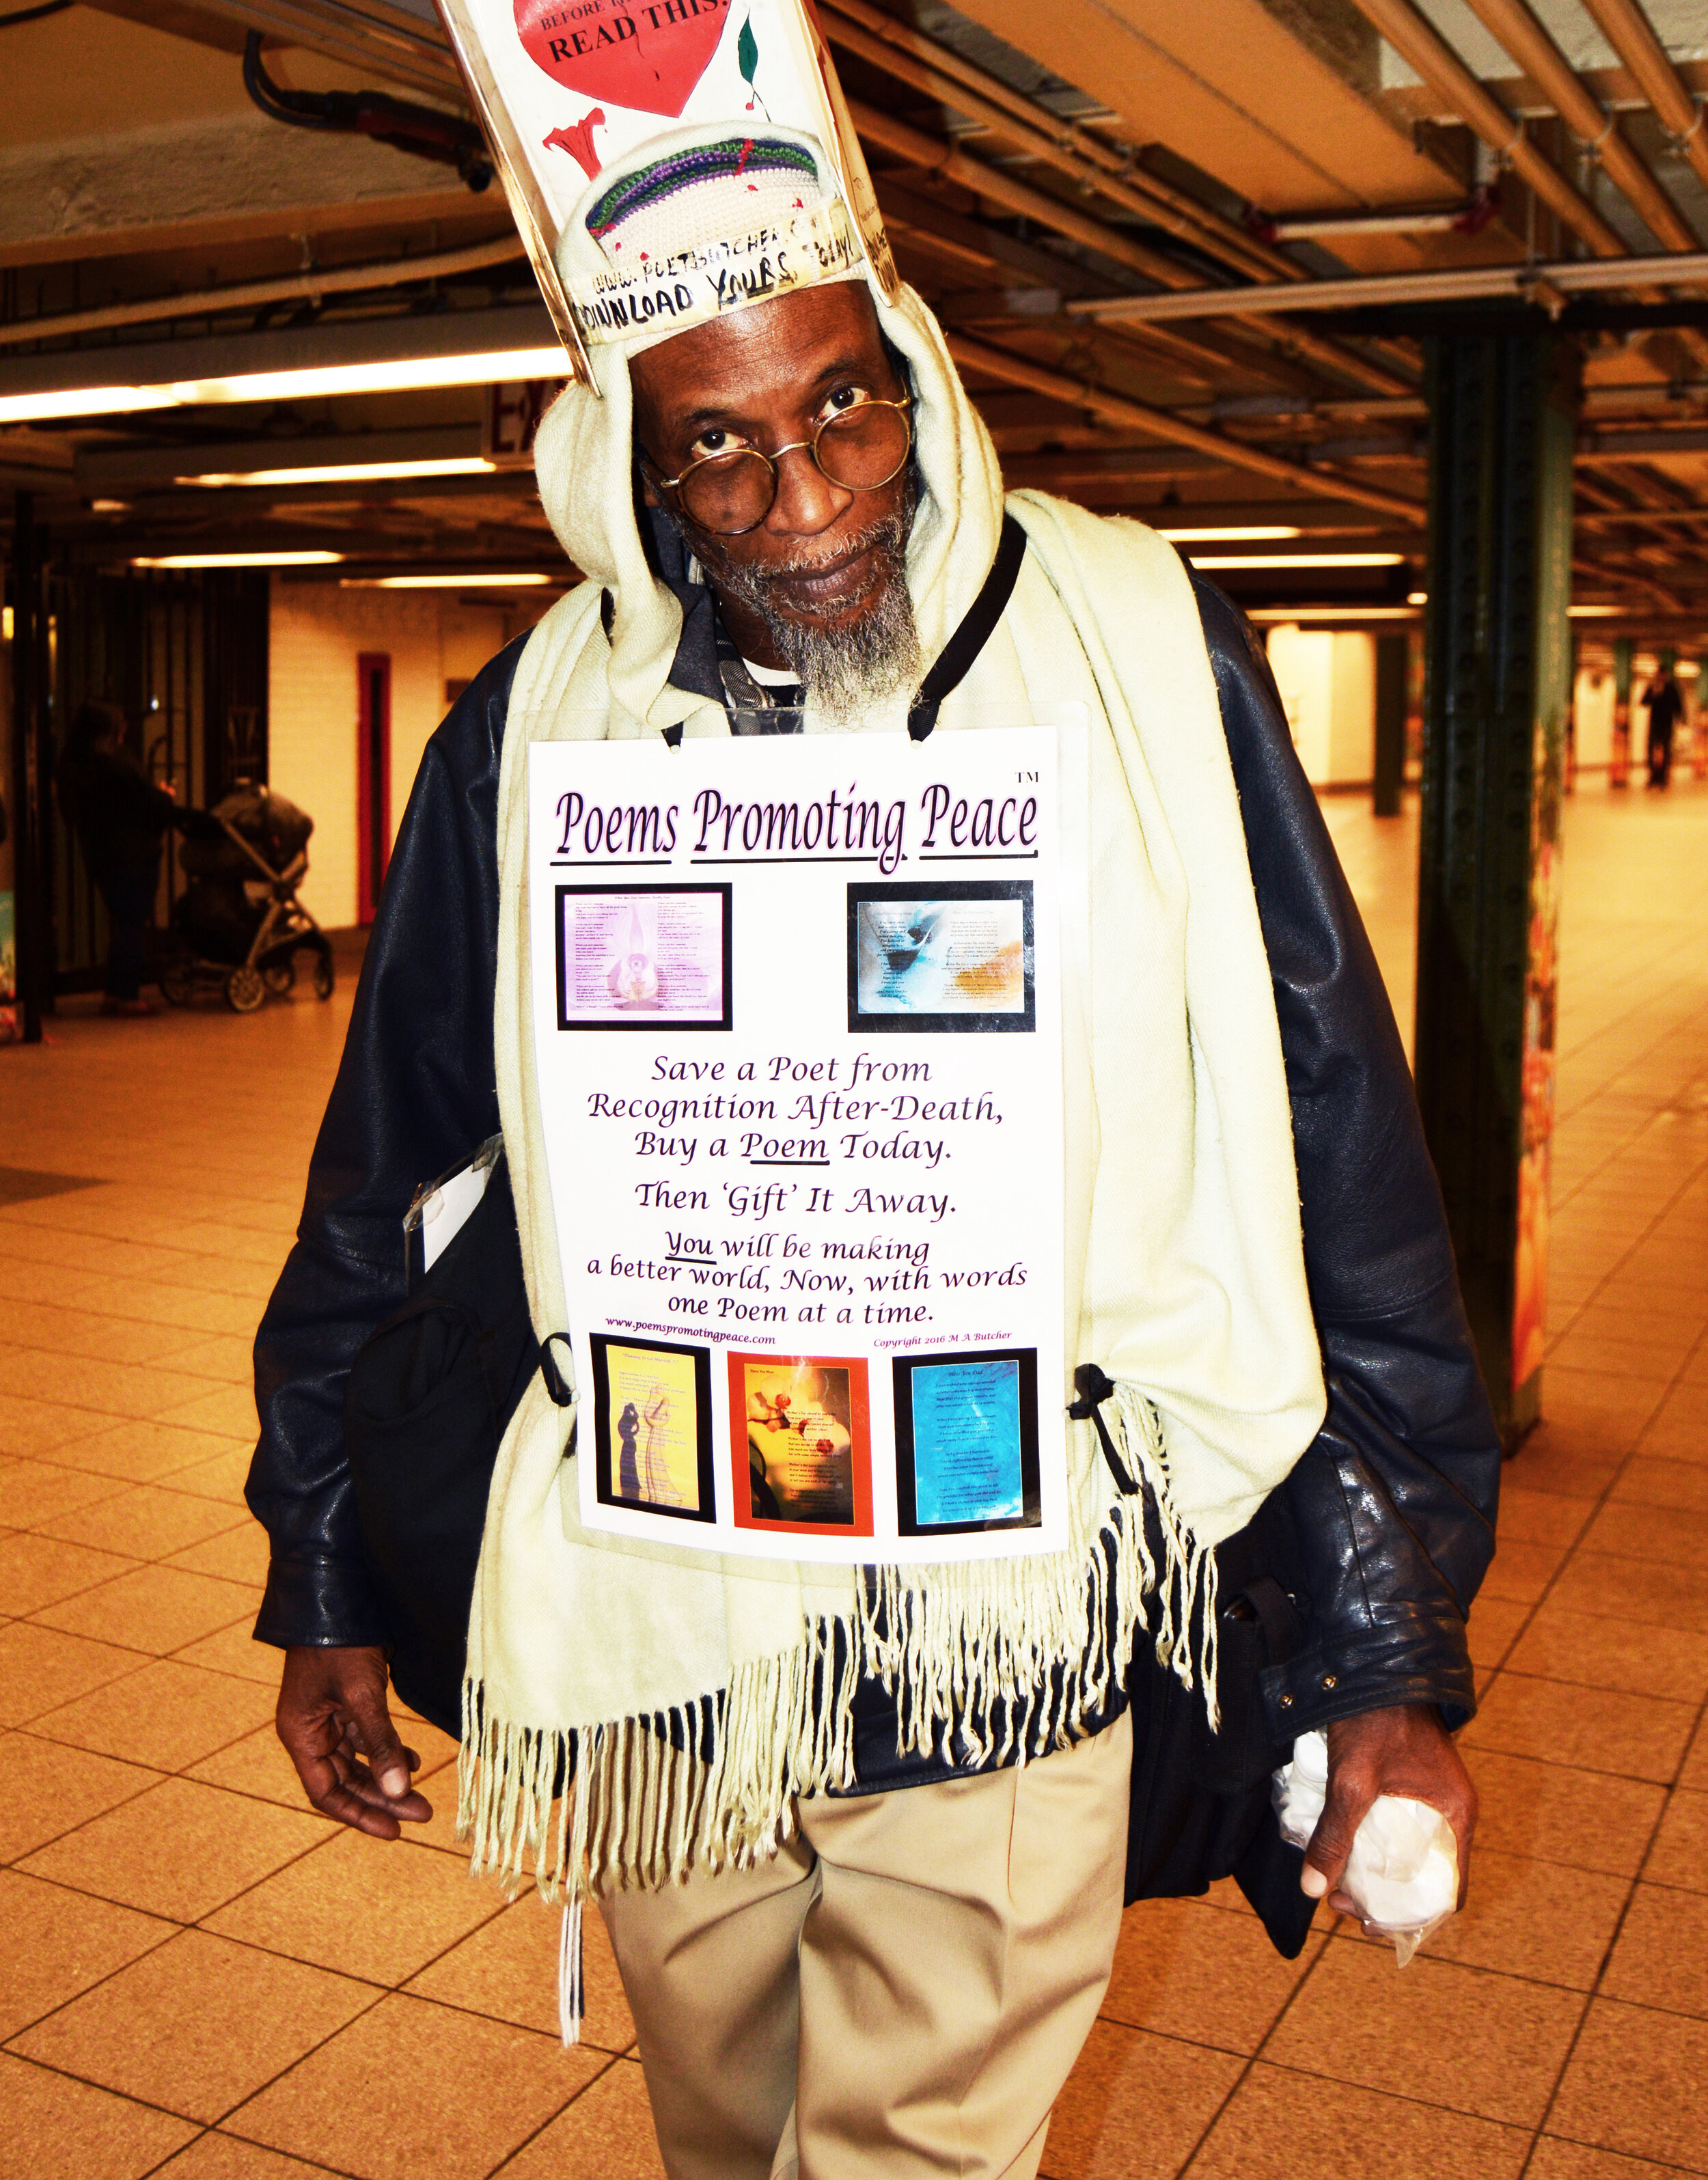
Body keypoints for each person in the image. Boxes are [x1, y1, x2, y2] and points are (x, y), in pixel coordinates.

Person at [249, 235, 1498, 2179]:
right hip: (655, 1640)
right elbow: (391, 1169)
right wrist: (319, 1572)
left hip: (996, 1625)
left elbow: (1326, 1139)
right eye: (720, 445)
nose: (810, 492)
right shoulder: (534, 724)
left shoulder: (1133, 648)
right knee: (724, 2145)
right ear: (635, 475)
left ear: (912, 363)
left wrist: (1382, 1648)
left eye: (843, 399)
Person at [56, 700, 203, 1016]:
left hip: (100, 855)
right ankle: (126, 995)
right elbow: (148, 805)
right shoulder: (119, 763)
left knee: (122, 923)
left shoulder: (75, 765)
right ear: (112, 730)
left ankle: (113, 992)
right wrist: (165, 794)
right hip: (135, 853)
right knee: (133, 924)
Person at [1642, 667, 1685, 786]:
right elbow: (1644, 701)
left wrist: (1680, 719)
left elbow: (1678, 705)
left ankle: (1663, 776)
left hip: (1666, 722)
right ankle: (1653, 775)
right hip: (1655, 723)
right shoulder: (1653, 687)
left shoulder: (1672, 689)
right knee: (1651, 748)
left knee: (1666, 748)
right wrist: (1653, 695)